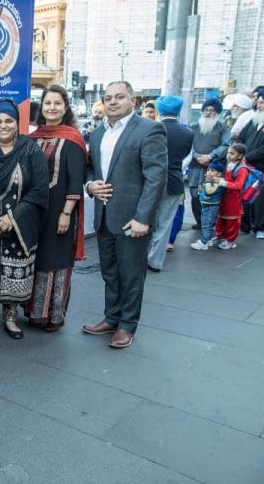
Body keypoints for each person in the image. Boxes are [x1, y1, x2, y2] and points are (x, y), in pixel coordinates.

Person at [83, 81, 167, 349]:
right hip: (104, 216)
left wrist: (144, 217)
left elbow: (156, 177)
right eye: (108, 98)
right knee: (109, 272)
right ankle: (112, 318)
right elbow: (91, 170)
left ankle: (127, 326)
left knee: (131, 275)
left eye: (120, 97)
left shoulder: (149, 129)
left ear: (133, 100)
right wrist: (90, 185)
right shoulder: (97, 134)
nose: (113, 102)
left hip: (133, 219)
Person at [0, 99, 49, 340]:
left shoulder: (30, 149)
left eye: (9, 120)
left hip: (19, 224)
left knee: (16, 270)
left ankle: (11, 318)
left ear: (17, 123)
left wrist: (12, 218)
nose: (3, 125)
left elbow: (39, 188)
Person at [25, 85, 87, 332]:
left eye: (57, 103)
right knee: (37, 259)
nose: (52, 108)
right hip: (35, 211)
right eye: (48, 103)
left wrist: (66, 213)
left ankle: (55, 315)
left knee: (57, 261)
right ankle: (34, 311)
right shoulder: (33, 137)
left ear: (65, 107)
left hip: (60, 212)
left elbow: (76, 180)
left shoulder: (72, 138)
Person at [146, 95, 193, 272]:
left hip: (150, 180)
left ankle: (141, 257)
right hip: (174, 180)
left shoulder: (151, 127)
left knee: (146, 218)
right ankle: (155, 261)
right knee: (165, 223)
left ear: (160, 109)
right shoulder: (187, 132)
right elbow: (185, 156)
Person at [189, 98, 230, 230]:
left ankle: (210, 223)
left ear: (217, 113)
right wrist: (196, 156)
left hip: (214, 167)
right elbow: (188, 145)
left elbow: (226, 145)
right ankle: (200, 222)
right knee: (195, 194)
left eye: (212, 110)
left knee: (212, 195)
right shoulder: (193, 127)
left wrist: (211, 156)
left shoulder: (223, 128)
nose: (208, 112)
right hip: (196, 165)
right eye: (206, 110)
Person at [239, 88, 264, 238]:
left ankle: (261, 228)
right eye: (258, 102)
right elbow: (241, 138)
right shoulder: (253, 120)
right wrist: (240, 153)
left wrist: (248, 157)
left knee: (261, 199)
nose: (259, 104)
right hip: (247, 166)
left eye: (263, 102)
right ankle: (244, 225)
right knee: (245, 196)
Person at [214, 144, 250, 250]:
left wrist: (221, 182)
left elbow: (239, 185)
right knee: (221, 217)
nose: (228, 155)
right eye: (228, 153)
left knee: (232, 220)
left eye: (232, 153)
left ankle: (230, 240)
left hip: (234, 198)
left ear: (240, 156)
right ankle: (220, 236)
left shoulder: (242, 169)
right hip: (225, 196)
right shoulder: (229, 164)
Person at [190, 162, 226, 250]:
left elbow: (210, 191)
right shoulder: (212, 181)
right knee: (205, 223)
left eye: (212, 170)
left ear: (219, 174)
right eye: (209, 170)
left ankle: (204, 242)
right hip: (207, 205)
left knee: (207, 224)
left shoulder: (217, 182)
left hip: (211, 207)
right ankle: (208, 239)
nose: (209, 172)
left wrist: (206, 182)